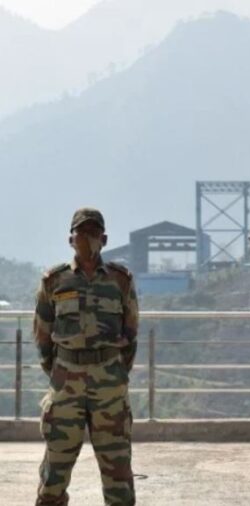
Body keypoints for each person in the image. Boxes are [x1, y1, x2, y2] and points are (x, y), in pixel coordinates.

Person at [34, 208, 138, 506]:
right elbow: (43, 336)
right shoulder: (54, 281)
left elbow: (131, 335)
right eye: (81, 232)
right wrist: (60, 373)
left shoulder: (120, 281)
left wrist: (114, 372)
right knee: (55, 471)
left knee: (118, 472)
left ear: (103, 239)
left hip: (109, 385)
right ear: (70, 239)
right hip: (66, 383)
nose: (86, 238)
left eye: (93, 232)